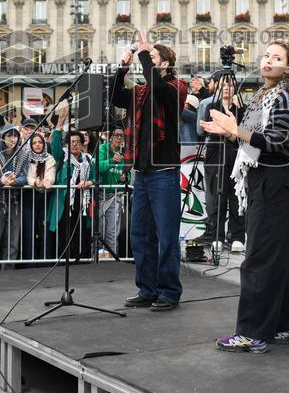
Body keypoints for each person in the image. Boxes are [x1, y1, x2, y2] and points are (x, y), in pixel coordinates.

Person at [201, 40, 289, 353]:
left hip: (273, 184)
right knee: (279, 260)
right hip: (265, 182)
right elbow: (257, 143)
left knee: (258, 261)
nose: (268, 60)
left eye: (276, 57)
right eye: (266, 55)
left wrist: (235, 130)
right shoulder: (266, 96)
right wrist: (228, 132)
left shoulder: (285, 97)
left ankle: (252, 333)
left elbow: (275, 142)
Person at [111, 30, 187, 311]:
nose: (148, 61)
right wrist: (122, 67)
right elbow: (117, 98)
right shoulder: (140, 92)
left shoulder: (177, 87)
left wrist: (143, 53)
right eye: (148, 57)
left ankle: (169, 291)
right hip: (141, 172)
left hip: (164, 172)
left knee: (166, 235)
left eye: (154, 57)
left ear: (165, 63)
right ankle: (147, 288)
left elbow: (159, 87)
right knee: (140, 235)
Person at [195, 75, 246, 252]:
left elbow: (242, 135)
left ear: (235, 89)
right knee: (216, 196)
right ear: (217, 87)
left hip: (235, 154)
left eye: (230, 85)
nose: (226, 88)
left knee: (235, 196)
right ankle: (217, 235)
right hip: (215, 153)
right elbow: (202, 130)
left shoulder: (242, 109)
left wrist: (230, 131)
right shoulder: (211, 107)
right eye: (224, 85)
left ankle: (238, 236)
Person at [47, 112, 96, 261]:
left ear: (82, 144)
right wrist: (60, 124)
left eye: (77, 142)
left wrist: (88, 182)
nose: (74, 144)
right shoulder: (62, 156)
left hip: (82, 203)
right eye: (71, 142)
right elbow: (55, 144)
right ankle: (64, 261)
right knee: (64, 233)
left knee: (81, 233)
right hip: (64, 202)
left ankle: (79, 260)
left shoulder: (88, 159)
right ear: (67, 144)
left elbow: (94, 178)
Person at [0, 123, 29, 268]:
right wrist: (1, 181)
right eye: (9, 135)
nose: (12, 138)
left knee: (13, 240)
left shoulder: (22, 153)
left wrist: (16, 181)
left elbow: (25, 176)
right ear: (2, 137)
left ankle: (9, 271)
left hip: (16, 201)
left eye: (15, 135)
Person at [96, 124, 129, 257]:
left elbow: (127, 175)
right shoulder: (102, 149)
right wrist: (111, 161)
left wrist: (125, 177)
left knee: (112, 232)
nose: (120, 138)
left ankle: (111, 261)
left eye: (122, 136)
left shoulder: (124, 153)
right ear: (110, 138)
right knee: (99, 231)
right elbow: (97, 167)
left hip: (115, 195)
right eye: (117, 135)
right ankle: (97, 261)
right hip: (100, 195)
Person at [24, 131, 55, 262]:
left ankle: (45, 260)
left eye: (40, 142)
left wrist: (41, 182)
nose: (37, 145)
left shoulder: (49, 158)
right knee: (29, 230)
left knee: (45, 230)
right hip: (28, 197)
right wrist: (34, 182)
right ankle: (28, 263)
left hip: (45, 198)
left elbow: (50, 178)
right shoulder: (25, 158)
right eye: (34, 143)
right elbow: (25, 176)